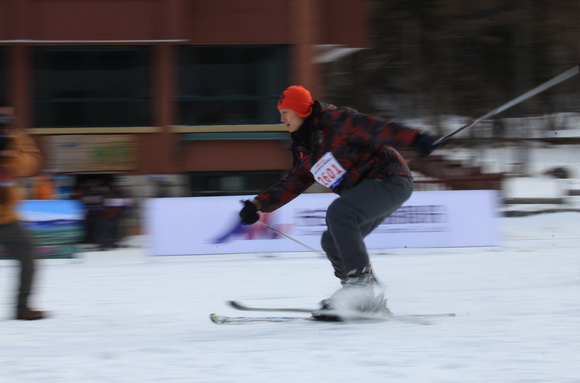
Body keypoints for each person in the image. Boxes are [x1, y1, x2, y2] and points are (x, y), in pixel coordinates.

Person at [238, 85, 437, 317]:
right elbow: (294, 182)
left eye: (286, 112)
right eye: (280, 113)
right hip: (367, 189)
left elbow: (377, 128)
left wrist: (415, 138)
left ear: (302, 110)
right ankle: (362, 301)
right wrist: (258, 205)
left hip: (390, 178)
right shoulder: (304, 148)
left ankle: (360, 283)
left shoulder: (336, 122)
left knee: (339, 213)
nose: (282, 119)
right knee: (331, 241)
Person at [0, 112, 46, 320]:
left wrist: (12, 155)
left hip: (7, 218)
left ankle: (22, 308)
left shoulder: (14, 139)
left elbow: (32, 164)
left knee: (28, 259)